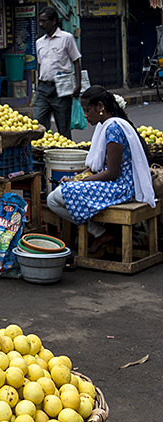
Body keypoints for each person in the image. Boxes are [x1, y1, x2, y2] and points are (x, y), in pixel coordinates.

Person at [47, 86, 156, 253]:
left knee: (56, 198)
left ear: (100, 106)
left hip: (121, 187)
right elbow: (96, 167)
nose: (85, 115)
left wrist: (82, 181)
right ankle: (102, 232)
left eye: (87, 110)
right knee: (56, 197)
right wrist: (76, 179)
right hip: (114, 183)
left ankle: (102, 232)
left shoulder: (113, 128)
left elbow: (112, 173)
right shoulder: (105, 126)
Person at [33, 6, 82, 140]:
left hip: (61, 88)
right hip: (43, 88)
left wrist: (78, 84)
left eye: (44, 21)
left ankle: (66, 155)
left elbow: (76, 61)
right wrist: (37, 85)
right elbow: (40, 65)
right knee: (37, 122)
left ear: (54, 21)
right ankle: (41, 153)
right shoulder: (39, 42)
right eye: (40, 21)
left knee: (63, 127)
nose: (41, 25)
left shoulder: (67, 38)